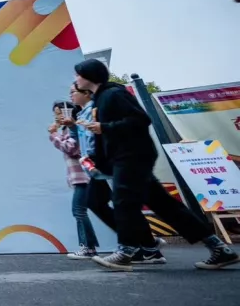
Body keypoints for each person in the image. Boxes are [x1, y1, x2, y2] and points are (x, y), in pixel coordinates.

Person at [73, 59, 238, 271]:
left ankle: (126, 251)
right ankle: (219, 248)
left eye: (78, 75)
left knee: (124, 202)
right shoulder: (101, 98)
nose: (76, 79)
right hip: (124, 158)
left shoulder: (114, 94)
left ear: (90, 76)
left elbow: (141, 120)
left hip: (132, 157)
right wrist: (100, 161)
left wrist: (105, 127)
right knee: (164, 205)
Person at [69, 84, 166, 264]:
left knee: (122, 205)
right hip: (97, 166)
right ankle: (146, 245)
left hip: (108, 164)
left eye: (73, 91)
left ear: (87, 93)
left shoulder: (95, 111)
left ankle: (142, 247)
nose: (71, 95)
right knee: (101, 203)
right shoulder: (82, 114)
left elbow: (102, 137)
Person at [48, 100, 98, 259]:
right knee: (80, 211)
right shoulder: (68, 129)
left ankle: (88, 247)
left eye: (60, 113)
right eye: (56, 115)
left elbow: (71, 148)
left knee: (79, 211)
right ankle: (89, 246)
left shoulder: (75, 128)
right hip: (79, 177)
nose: (57, 118)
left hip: (83, 177)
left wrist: (53, 134)